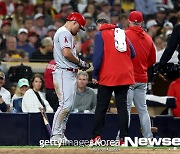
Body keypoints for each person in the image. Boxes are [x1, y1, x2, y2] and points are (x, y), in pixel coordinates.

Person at [90, 18, 135, 144]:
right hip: (124, 75)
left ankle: (96, 137)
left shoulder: (100, 34)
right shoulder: (121, 32)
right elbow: (133, 53)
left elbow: (98, 57)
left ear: (99, 25)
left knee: (101, 107)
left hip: (107, 75)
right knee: (122, 108)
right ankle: (123, 138)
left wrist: (95, 74)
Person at [50, 12, 90, 144]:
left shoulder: (66, 33)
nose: (79, 30)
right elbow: (66, 53)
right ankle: (55, 135)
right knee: (65, 106)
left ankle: (60, 134)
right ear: (74, 22)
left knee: (68, 106)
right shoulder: (64, 32)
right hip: (63, 72)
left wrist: (78, 64)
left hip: (69, 72)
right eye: (79, 27)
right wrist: (80, 62)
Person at [117, 11, 156, 140]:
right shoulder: (149, 38)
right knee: (143, 110)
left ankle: (121, 138)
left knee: (126, 110)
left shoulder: (124, 35)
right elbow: (152, 60)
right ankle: (148, 138)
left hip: (128, 78)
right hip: (142, 78)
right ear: (142, 22)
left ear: (129, 21)